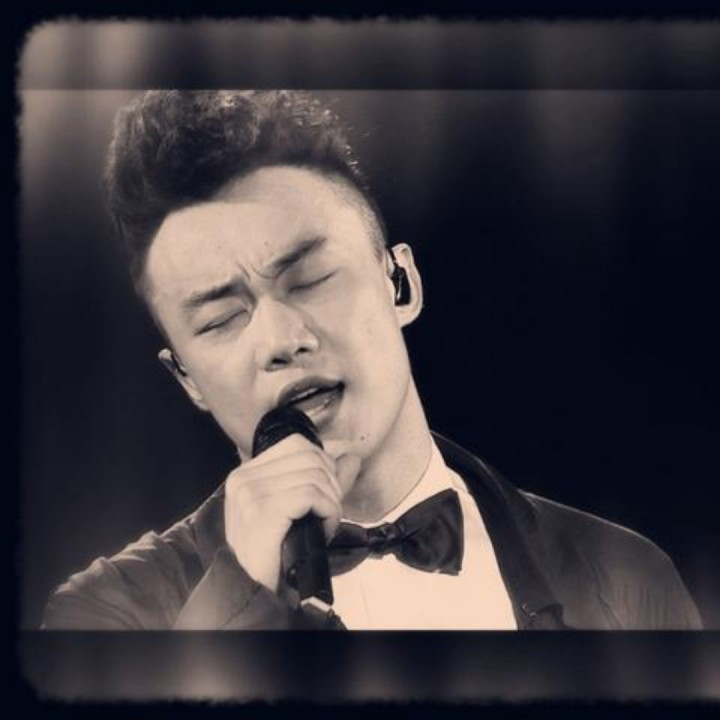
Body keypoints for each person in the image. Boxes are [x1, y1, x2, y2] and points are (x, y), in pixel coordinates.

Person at [42, 90, 701, 631]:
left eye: (309, 280)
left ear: (400, 283)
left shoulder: (627, 576)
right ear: (187, 379)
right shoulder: (106, 616)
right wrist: (241, 592)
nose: (280, 339)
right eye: (219, 320)